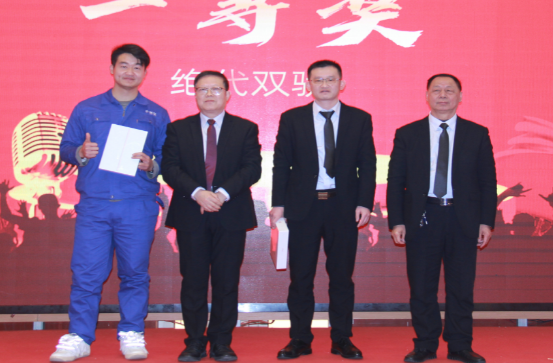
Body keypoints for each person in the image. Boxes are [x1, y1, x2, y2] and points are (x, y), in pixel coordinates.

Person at [52, 44, 170, 362]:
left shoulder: (156, 113)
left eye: (137, 67)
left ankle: (132, 332)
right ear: (112, 69)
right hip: (95, 204)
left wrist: (152, 165)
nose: (130, 72)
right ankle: (79, 336)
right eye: (124, 65)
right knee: (86, 273)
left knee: (134, 273)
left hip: (137, 204)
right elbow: (65, 148)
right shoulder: (86, 108)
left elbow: (168, 157)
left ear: (144, 73)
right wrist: (79, 153)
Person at [270, 60, 376, 360]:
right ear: (308, 84)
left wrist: (364, 202)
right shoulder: (292, 118)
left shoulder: (359, 118)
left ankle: (342, 338)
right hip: (303, 208)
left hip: (343, 207)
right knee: (301, 277)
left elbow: (367, 164)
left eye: (330, 79)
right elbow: (281, 164)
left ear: (342, 83)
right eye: (318, 80)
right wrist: (279, 204)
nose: (324, 85)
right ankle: (299, 339)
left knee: (341, 277)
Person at [386, 74, 497, 363]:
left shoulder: (477, 133)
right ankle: (425, 344)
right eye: (437, 90)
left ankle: (460, 345)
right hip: (423, 217)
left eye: (450, 90)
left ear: (461, 96)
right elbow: (396, 181)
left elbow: (487, 181)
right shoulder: (408, 134)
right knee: (422, 286)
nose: (443, 95)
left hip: (463, 218)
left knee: (461, 286)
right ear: (427, 96)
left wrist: (486, 221)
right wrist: (397, 221)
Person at [161, 71, 262, 362]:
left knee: (226, 281)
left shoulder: (245, 128)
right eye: (202, 89)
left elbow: (251, 168)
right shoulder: (178, 129)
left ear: (227, 94)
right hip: (191, 212)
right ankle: (194, 342)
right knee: (193, 280)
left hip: (231, 213)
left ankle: (221, 342)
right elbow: (170, 168)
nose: (208, 94)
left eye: (215, 89)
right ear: (194, 94)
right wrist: (198, 193)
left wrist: (221, 194)